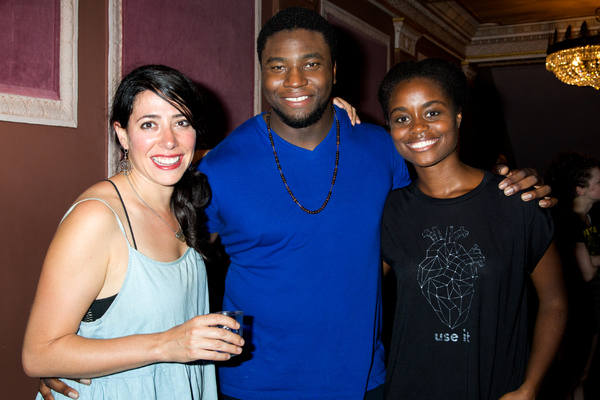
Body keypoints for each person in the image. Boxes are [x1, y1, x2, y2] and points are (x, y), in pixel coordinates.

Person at [40, 7, 553, 400]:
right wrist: (74, 350)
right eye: (277, 66)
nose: (294, 81)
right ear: (262, 72)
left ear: (334, 72)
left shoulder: (381, 148)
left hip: (366, 382)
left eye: (310, 64)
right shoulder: (215, 169)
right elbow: (155, 261)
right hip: (251, 386)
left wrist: (509, 181)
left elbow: (449, 183)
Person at [23, 65, 244, 400]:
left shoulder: (182, 204)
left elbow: (247, 144)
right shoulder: (96, 218)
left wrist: (329, 110)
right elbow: (38, 354)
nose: (169, 140)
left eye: (181, 122)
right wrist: (166, 345)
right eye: (149, 124)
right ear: (123, 134)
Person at [378, 58, 568, 400]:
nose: (418, 128)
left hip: (495, 390)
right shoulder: (390, 211)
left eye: (433, 112)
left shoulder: (516, 202)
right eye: (402, 118)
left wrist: (530, 387)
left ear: (458, 116)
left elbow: (554, 301)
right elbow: (354, 293)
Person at [545, 151, 600, 399]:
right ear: (580, 189)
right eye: (598, 182)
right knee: (571, 377)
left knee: (583, 376)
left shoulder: (588, 218)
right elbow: (587, 272)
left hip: (592, 308)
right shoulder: (569, 221)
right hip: (581, 311)